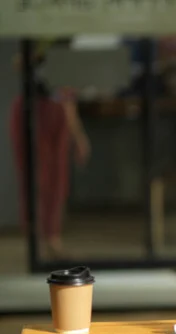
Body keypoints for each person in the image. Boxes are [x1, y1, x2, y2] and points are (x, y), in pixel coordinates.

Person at [9, 42, 91, 259]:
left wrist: (79, 137)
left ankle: (53, 237)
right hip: (33, 111)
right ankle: (35, 238)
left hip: (58, 112)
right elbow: (18, 64)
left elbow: (67, 98)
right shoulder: (34, 46)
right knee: (35, 178)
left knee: (57, 180)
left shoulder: (65, 53)